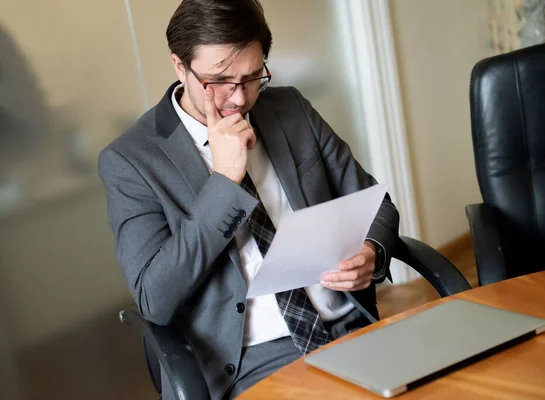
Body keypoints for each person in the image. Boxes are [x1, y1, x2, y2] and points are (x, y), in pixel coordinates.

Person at [98, 0, 399, 398]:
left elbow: (376, 204)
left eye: (253, 77)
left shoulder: (290, 109)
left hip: (349, 328)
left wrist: (371, 251)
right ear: (179, 66)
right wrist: (224, 181)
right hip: (245, 364)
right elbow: (155, 299)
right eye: (220, 81)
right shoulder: (131, 160)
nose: (239, 98)